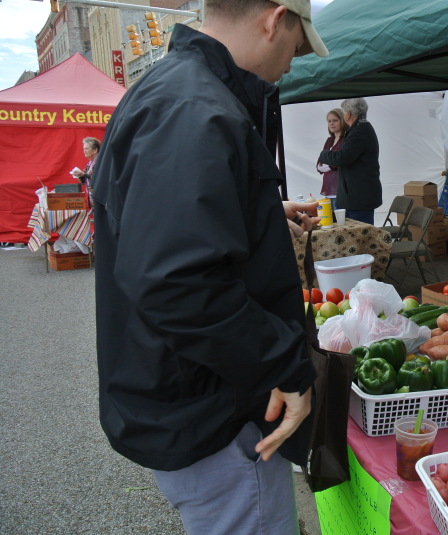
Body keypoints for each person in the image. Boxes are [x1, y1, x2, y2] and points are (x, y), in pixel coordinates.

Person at [90, 1, 328, 533]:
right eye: (298, 42)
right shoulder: (198, 109)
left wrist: (259, 212)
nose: (294, 61)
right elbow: (177, 283)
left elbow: (157, 226)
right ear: (275, 18)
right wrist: (286, 364)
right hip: (213, 410)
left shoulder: (171, 89)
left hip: (183, 396)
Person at [318, 97, 381, 224]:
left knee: (361, 235)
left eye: (343, 112)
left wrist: (323, 154)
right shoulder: (360, 128)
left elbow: (342, 158)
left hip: (359, 197)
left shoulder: (360, 131)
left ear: (349, 114)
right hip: (357, 195)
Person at [316, 108, 348, 210]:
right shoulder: (330, 140)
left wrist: (331, 165)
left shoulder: (346, 139)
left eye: (335, 120)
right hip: (328, 187)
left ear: (342, 121)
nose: (331, 123)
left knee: (341, 221)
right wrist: (319, 166)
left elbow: (342, 159)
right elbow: (322, 157)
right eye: (329, 121)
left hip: (340, 188)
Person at [72, 136, 100, 206]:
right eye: (83, 149)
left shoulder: (100, 162)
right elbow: (85, 181)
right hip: (92, 197)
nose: (84, 150)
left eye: (87, 148)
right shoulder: (89, 163)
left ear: (95, 150)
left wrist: (84, 174)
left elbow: (100, 178)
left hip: (100, 197)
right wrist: (79, 175)